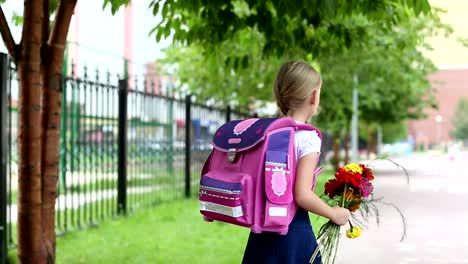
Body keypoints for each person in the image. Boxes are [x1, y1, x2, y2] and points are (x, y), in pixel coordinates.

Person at [242, 60, 351, 264]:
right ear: (313, 96)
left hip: (261, 232)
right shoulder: (307, 137)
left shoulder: (267, 131)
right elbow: (301, 195)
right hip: (292, 233)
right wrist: (334, 214)